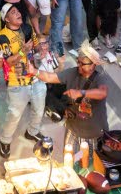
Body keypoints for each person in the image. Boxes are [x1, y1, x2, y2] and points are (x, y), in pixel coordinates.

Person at [35, 42, 109, 170]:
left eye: (83, 64)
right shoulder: (72, 73)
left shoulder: (100, 77)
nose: (79, 66)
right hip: (73, 129)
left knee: (89, 166)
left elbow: (102, 93)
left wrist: (81, 93)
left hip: (93, 133)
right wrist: (33, 71)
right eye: (78, 62)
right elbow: (49, 77)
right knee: (69, 162)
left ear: (93, 64)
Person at [0, 3, 46, 159]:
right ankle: (5, 140)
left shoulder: (28, 29)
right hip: (17, 82)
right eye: (13, 12)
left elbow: (36, 47)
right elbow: (6, 62)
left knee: (39, 108)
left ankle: (32, 132)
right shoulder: (2, 37)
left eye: (18, 11)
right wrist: (22, 51)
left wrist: (41, 51)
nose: (18, 14)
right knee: (14, 115)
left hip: (35, 76)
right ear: (7, 19)